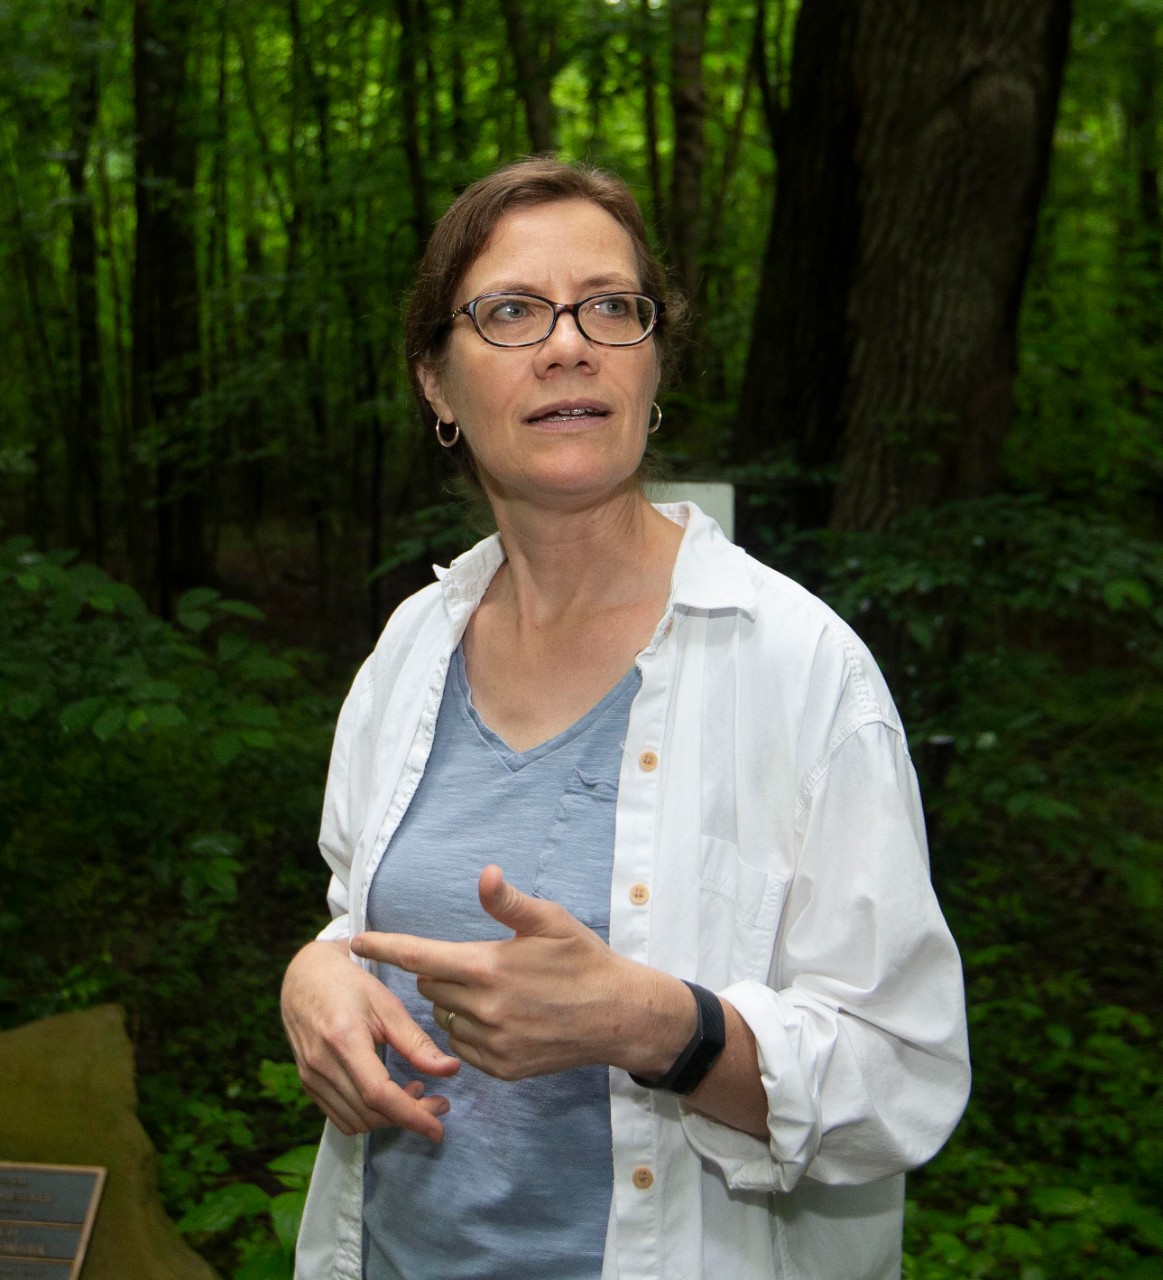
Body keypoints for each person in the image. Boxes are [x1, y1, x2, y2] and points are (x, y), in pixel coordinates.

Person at [282, 157, 970, 1280]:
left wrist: (661, 1026)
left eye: (610, 305)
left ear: (653, 366)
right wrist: (312, 973)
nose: (568, 342)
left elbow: (903, 1076)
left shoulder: (800, 670)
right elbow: (355, 915)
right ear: (436, 385)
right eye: (510, 310)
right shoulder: (409, 649)